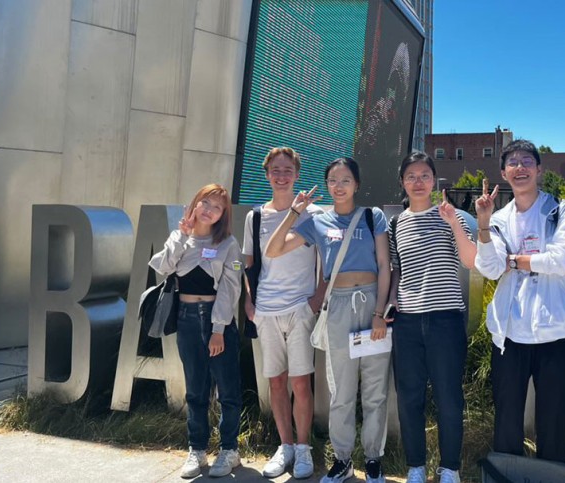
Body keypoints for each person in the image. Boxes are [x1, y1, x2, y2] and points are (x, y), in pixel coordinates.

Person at [266, 157, 392, 483]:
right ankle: (343, 458)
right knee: (342, 390)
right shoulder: (318, 221)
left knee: (376, 390)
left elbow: (384, 264)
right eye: (333, 180)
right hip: (337, 307)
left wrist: (380, 313)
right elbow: (274, 249)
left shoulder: (371, 216)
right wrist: (295, 211)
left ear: (357, 184)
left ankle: (374, 460)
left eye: (345, 180)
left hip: (371, 306)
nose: (339, 186)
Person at [473, 139, 565, 463]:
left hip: (558, 332)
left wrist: (515, 259)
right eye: (513, 163)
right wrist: (482, 223)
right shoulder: (498, 219)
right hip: (510, 334)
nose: (519, 168)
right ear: (504, 173)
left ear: (539, 169)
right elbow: (491, 267)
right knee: (507, 420)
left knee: (555, 421)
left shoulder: (561, 209)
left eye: (526, 162)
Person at [385, 152, 476, 483]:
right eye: (411, 176)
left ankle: (450, 467)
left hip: (445, 320)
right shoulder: (397, 223)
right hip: (407, 321)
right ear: (402, 183)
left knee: (449, 397)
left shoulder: (452, 217)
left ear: (434, 180)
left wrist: (453, 222)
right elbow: (397, 272)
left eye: (424, 175)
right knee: (409, 398)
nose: (418, 181)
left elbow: (468, 261)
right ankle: (416, 465)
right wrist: (390, 306)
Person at [149, 184, 244, 479]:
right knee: (196, 390)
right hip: (187, 318)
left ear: (222, 215)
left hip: (219, 321)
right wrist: (182, 235)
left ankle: (229, 449)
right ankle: (197, 449)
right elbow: (163, 267)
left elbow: (231, 288)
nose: (209, 210)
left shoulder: (228, 243)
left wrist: (218, 330)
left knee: (227, 389)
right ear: (195, 203)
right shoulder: (180, 237)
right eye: (206, 202)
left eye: (217, 207)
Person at [242, 147, 324, 479]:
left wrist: (315, 300)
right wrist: (250, 303)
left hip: (299, 309)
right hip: (266, 310)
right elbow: (249, 264)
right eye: (275, 170)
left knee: (301, 382)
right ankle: (285, 445)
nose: (281, 175)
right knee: (276, 381)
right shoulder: (255, 217)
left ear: (297, 174)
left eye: (287, 169)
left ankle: (304, 449)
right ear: (267, 174)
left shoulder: (313, 214)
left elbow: (325, 263)